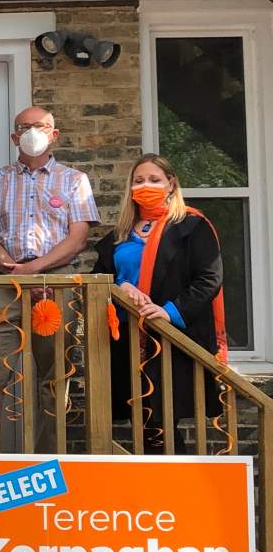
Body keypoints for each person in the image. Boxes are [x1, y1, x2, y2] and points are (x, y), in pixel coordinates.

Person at [0, 106, 99, 452]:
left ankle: (49, 459)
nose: (31, 132)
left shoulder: (75, 181)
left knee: (55, 377)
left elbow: (78, 239)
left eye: (39, 126)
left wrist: (36, 268)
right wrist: (14, 269)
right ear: (14, 137)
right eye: (24, 127)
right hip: (3, 283)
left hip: (56, 284)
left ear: (54, 135)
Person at [93, 154, 225, 452]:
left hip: (172, 336)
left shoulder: (192, 226)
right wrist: (121, 286)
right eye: (139, 180)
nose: (146, 186)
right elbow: (99, 279)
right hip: (127, 339)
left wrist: (169, 312)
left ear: (171, 184)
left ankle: (174, 480)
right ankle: (153, 479)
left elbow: (209, 278)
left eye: (154, 180)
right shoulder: (121, 234)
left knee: (162, 419)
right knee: (142, 421)